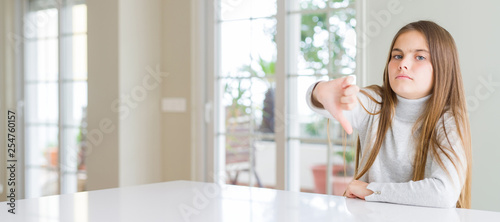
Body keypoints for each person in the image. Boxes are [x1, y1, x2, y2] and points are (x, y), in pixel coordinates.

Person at [306, 20, 471, 208]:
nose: (403, 64)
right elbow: (319, 102)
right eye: (397, 56)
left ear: (443, 67)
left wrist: (372, 190)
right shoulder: (374, 103)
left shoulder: (448, 120)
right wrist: (319, 91)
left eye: (419, 57)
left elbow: (443, 194)